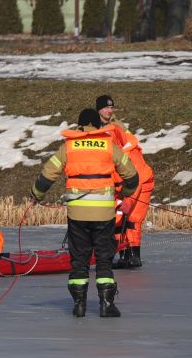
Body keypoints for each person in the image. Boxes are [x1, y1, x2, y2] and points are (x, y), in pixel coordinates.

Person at [32, 108, 139, 317]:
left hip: (77, 215)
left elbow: (47, 175)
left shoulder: (69, 146)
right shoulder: (109, 145)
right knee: (104, 259)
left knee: (79, 259)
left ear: (79, 125)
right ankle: (107, 305)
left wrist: (36, 194)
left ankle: (79, 305)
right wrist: (124, 192)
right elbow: (132, 177)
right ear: (98, 125)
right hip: (104, 215)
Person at [92, 95, 156, 269]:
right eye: (105, 107)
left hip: (140, 185)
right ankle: (123, 255)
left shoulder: (130, 154)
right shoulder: (113, 145)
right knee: (118, 218)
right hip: (124, 184)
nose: (109, 110)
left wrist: (128, 201)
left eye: (111, 107)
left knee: (132, 219)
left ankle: (134, 256)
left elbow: (137, 181)